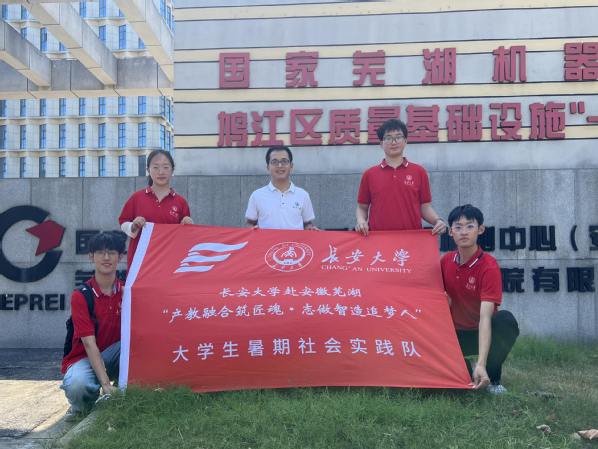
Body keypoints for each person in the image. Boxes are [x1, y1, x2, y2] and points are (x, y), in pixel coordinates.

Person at [441, 204, 519, 394]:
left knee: (506, 320)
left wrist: (482, 363)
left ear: (480, 229)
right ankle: (466, 369)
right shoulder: (445, 262)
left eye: (470, 226)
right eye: (458, 227)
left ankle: (492, 378)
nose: (464, 232)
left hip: (481, 332)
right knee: (458, 388)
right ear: (451, 232)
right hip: (453, 335)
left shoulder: (488, 266)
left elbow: (485, 317)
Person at [61, 231, 126, 419]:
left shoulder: (127, 291)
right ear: (91, 257)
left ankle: (122, 395)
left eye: (112, 252)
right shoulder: (82, 295)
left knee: (136, 346)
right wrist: (105, 384)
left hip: (116, 354)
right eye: (100, 252)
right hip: (85, 358)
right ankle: (83, 406)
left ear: (120, 257)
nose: (106, 257)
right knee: (77, 386)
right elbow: (89, 343)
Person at [355, 119, 446, 236]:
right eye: (388, 138)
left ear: (405, 141)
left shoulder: (419, 172)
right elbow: (362, 207)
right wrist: (361, 221)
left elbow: (425, 207)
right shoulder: (370, 174)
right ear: (381, 144)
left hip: (411, 238)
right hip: (378, 239)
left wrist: (437, 221)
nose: (394, 142)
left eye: (398, 137)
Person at [119, 149, 192, 268]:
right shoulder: (137, 198)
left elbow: (185, 238)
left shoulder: (180, 202)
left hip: (169, 263)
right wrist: (133, 226)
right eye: (156, 167)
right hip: (141, 263)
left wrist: (188, 226)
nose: (161, 172)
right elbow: (123, 222)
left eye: (165, 167)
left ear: (172, 170)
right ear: (148, 170)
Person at [245, 145, 318, 230]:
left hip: (295, 239)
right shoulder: (257, 195)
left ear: (291, 166)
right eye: (274, 162)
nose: (280, 165)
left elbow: (307, 223)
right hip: (268, 239)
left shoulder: (303, 195)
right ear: (268, 167)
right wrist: (251, 229)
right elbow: (250, 223)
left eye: (284, 161)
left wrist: (311, 229)